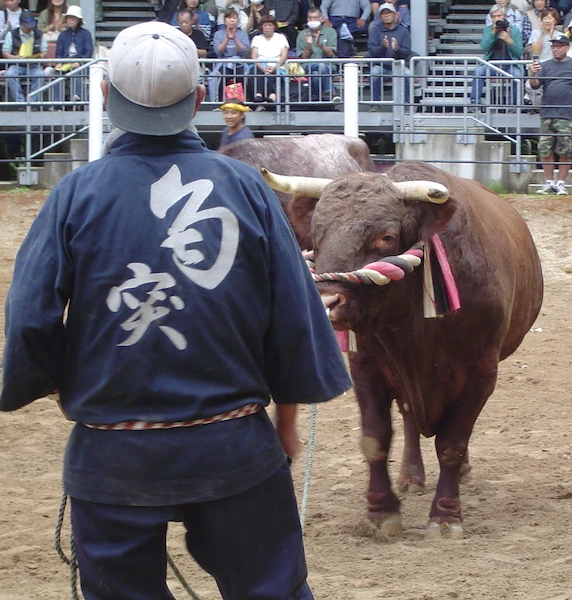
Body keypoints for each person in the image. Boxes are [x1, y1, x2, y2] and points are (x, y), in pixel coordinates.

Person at [0, 20, 352, 599]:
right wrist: (284, 424)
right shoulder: (247, 189)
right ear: (199, 99)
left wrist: (58, 386)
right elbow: (290, 317)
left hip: (112, 450)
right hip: (234, 444)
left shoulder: (72, 195)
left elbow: (31, 319)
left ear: (106, 96)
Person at [528, 31, 572, 195]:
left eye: (559, 46)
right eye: (554, 46)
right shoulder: (546, 65)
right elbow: (535, 85)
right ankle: (549, 183)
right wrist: (532, 73)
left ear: (567, 48)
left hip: (567, 113)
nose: (555, 49)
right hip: (547, 112)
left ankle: (561, 183)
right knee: (545, 149)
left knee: (566, 149)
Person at [470, 4, 524, 106]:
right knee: (478, 71)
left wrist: (509, 40)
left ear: (505, 16)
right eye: (494, 16)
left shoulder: (514, 30)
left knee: (518, 75)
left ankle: (514, 105)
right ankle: (475, 103)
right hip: (492, 65)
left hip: (510, 65)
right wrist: (493, 34)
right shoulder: (488, 29)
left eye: (499, 16)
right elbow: (484, 48)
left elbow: (519, 52)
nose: (497, 19)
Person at [367, 2, 411, 104]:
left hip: (398, 66)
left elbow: (407, 51)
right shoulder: (375, 30)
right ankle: (376, 105)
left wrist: (397, 49)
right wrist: (383, 47)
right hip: (381, 66)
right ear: (380, 16)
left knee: (408, 74)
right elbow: (372, 51)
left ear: (394, 14)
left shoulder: (403, 31)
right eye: (383, 14)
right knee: (374, 72)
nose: (386, 16)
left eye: (389, 13)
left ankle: (406, 104)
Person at [2, 10, 47, 104]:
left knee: (40, 74)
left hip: (34, 65)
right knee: (10, 74)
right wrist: (14, 58)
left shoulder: (39, 34)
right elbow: (5, 52)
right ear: (20, 24)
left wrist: (40, 56)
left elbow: (44, 50)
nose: (29, 28)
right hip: (17, 65)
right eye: (27, 26)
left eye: (31, 26)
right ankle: (20, 102)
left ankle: (32, 103)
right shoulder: (12, 34)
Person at [296, 6, 339, 101]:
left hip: (329, 66)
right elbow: (303, 58)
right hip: (308, 66)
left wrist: (320, 45)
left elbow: (330, 53)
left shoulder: (330, 32)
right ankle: (330, 92)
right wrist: (309, 46)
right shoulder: (302, 34)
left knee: (316, 75)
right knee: (321, 65)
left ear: (321, 18)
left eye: (315, 18)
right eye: (310, 18)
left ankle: (316, 98)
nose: (312, 20)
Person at [51, 4, 92, 103]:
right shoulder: (63, 35)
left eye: (74, 18)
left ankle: (76, 99)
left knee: (77, 72)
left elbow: (89, 52)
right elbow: (59, 53)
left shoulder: (86, 34)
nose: (71, 20)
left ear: (79, 20)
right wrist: (59, 62)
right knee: (56, 73)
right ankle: (57, 102)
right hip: (65, 63)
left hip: (81, 65)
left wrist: (79, 63)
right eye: (69, 18)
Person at [209, 7, 250, 102]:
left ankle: (244, 101)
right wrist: (227, 39)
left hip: (239, 62)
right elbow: (218, 52)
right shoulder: (218, 34)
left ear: (238, 21)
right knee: (218, 76)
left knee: (244, 76)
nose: (232, 20)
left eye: (234, 18)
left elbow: (244, 51)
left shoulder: (243, 34)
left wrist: (235, 38)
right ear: (224, 20)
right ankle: (218, 102)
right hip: (223, 62)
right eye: (229, 18)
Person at [250, 15, 288, 103]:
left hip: (277, 64)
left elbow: (284, 55)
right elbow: (254, 56)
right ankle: (258, 94)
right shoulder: (256, 38)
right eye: (265, 25)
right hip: (260, 64)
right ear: (261, 27)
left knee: (275, 74)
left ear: (274, 26)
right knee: (254, 71)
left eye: (270, 25)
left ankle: (272, 96)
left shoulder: (281, 37)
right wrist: (263, 68)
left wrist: (274, 67)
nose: (267, 27)